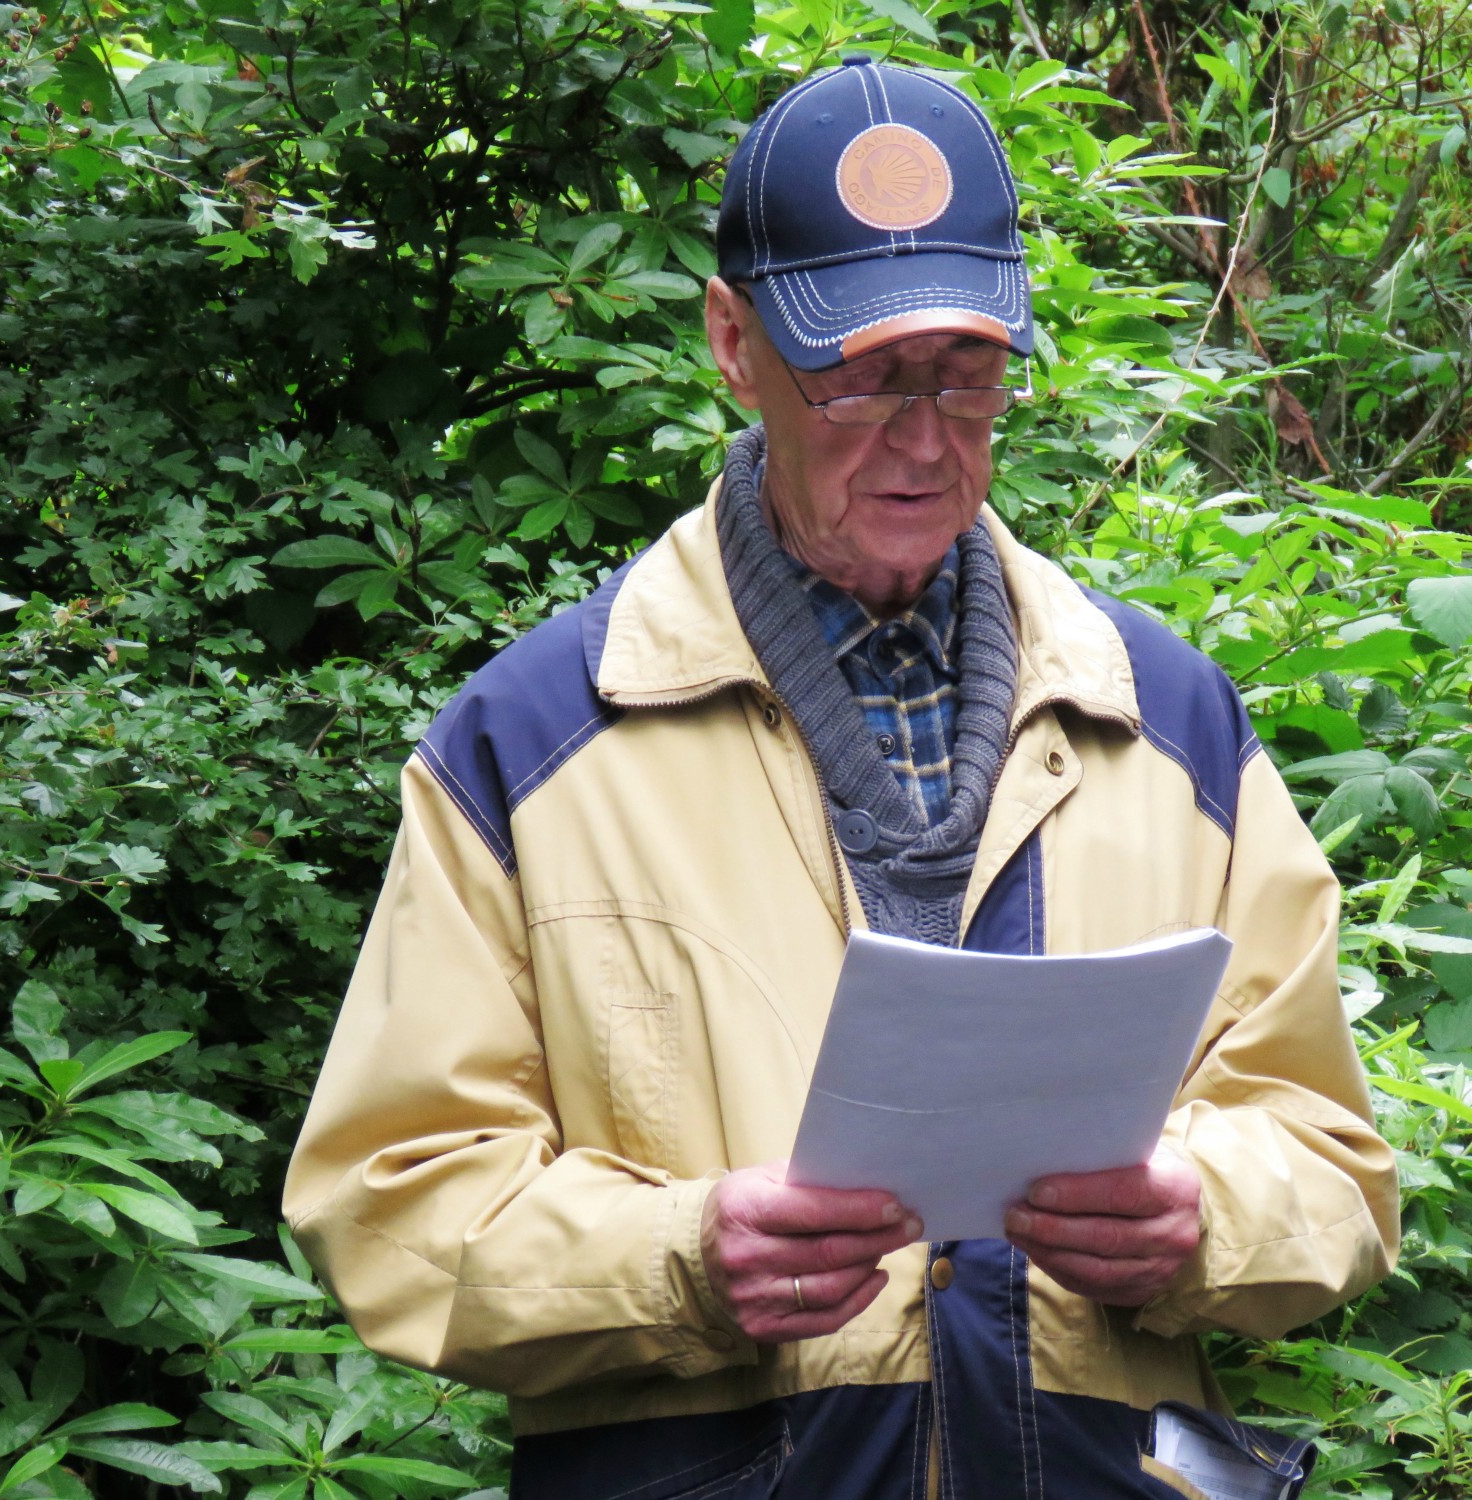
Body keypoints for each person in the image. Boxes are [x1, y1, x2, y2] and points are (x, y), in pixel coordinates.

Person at [284, 55, 1397, 1500]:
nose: (928, 439)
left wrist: (1208, 1221)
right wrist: (679, 1259)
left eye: (970, 374)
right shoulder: (536, 740)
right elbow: (390, 1201)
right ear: (734, 345)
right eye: (864, 380)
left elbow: (1330, 1157)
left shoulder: (1164, 719)